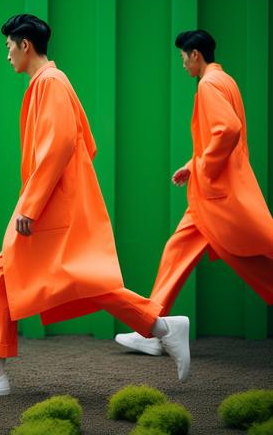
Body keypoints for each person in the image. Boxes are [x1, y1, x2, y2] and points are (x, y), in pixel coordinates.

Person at [0, 14, 191, 395]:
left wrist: (33, 204)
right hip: (56, 202)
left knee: (16, 275)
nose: (7, 54)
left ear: (25, 44)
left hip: (47, 205)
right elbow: (86, 143)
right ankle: (162, 327)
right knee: (73, 281)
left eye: (9, 46)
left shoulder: (50, 83)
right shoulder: (51, 82)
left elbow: (60, 145)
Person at [115, 30, 273, 356]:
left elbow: (228, 130)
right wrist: (194, 164)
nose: (183, 63)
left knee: (257, 259)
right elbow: (220, 135)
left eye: (184, 57)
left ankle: (149, 330)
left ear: (195, 54)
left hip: (218, 197)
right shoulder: (225, 80)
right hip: (214, 196)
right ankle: (150, 329)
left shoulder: (208, 84)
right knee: (178, 252)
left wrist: (203, 169)